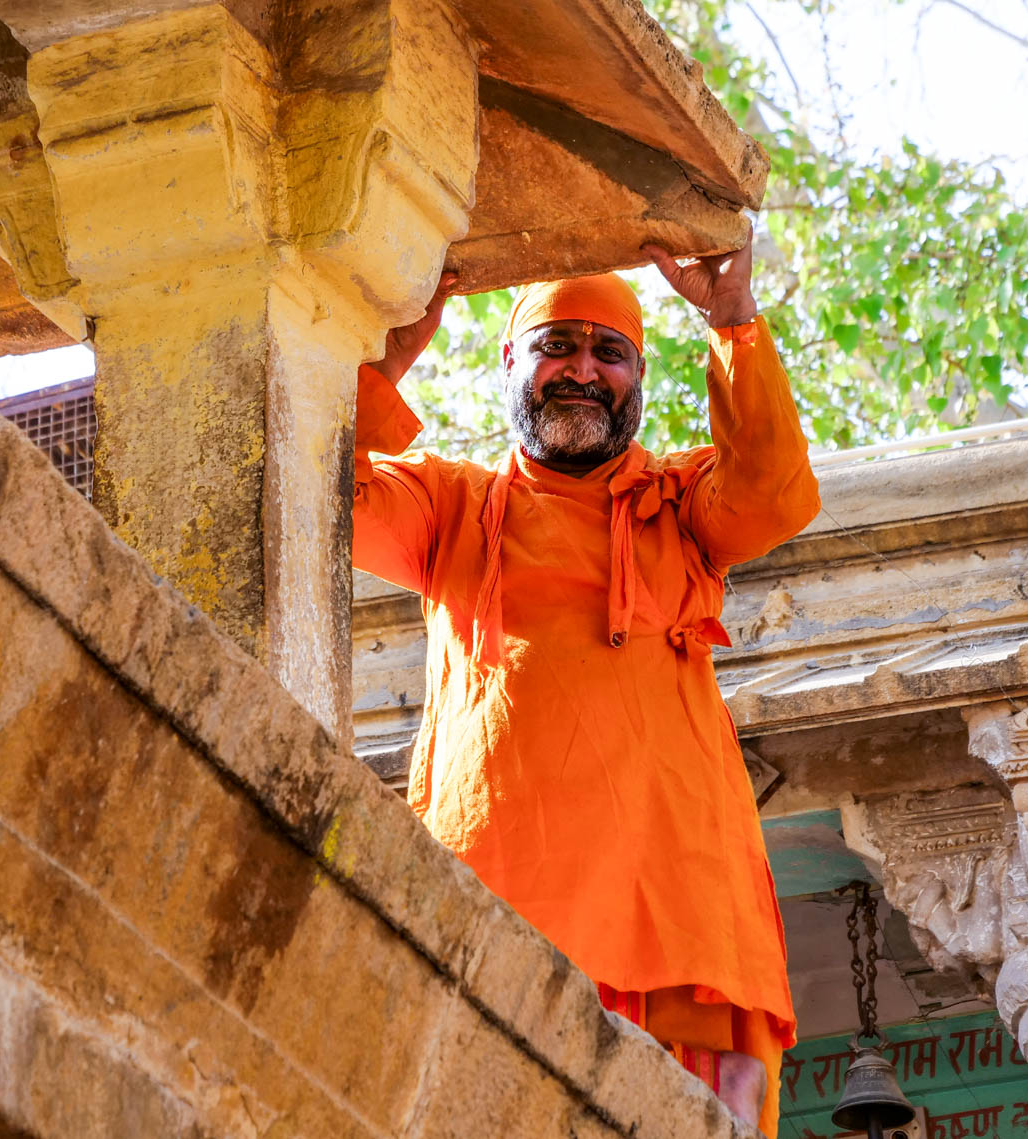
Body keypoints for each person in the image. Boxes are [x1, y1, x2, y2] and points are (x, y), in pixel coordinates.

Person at [351, 231, 820, 1136]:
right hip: (498, 915)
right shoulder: (450, 505)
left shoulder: (682, 504)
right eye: (556, 345)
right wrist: (378, 366)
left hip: (686, 927)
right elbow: (319, 493)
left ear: (638, 374)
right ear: (509, 362)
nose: (582, 371)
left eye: (608, 351)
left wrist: (731, 319)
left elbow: (771, 494)